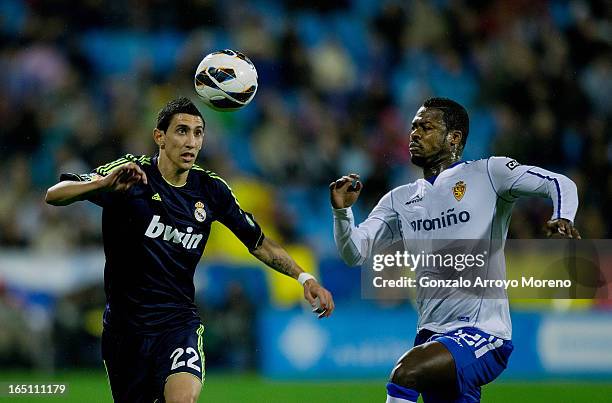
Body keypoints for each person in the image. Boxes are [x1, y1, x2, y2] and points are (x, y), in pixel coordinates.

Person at [45, 97, 334, 403]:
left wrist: (305, 279)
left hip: (178, 324)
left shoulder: (211, 190)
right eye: (182, 131)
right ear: (160, 137)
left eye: (198, 133)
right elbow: (55, 195)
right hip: (124, 331)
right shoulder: (131, 174)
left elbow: (259, 243)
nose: (191, 142)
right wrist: (103, 184)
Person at [329, 97, 580, 403]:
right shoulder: (399, 199)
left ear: (454, 137)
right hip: (431, 334)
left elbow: (559, 182)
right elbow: (354, 251)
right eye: (413, 127)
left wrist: (563, 215)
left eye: (426, 126)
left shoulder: (489, 173)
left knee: (406, 373)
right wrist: (342, 213)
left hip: (483, 332)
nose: (415, 134)